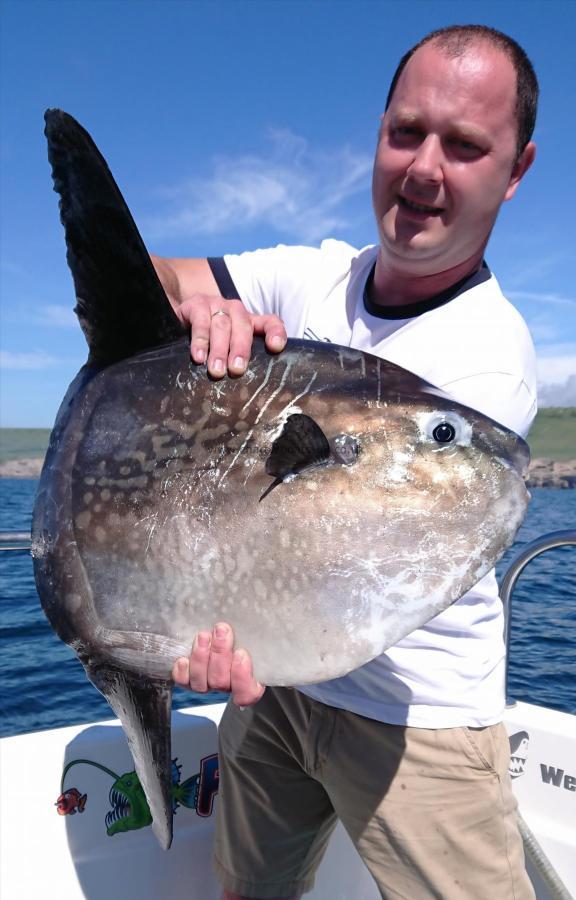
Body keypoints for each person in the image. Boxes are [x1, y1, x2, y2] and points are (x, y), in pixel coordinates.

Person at [153, 25, 538, 900]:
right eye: (407, 131)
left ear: (516, 173)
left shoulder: (487, 362)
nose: (425, 168)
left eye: (467, 146)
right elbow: (156, 279)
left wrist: (229, 609)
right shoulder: (313, 274)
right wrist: (199, 317)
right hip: (282, 683)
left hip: (417, 715)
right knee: (249, 891)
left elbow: (351, 550)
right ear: (377, 134)